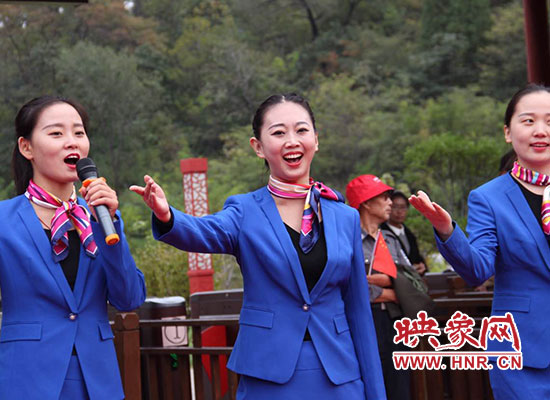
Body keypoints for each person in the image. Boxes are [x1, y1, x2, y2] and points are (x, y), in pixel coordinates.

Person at [131, 93, 386, 399]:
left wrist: (376, 392)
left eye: (301, 130)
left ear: (316, 140)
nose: (292, 141)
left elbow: (358, 311)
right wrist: (167, 215)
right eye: (278, 133)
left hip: (340, 374)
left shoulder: (345, 217)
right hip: (269, 374)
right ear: (258, 147)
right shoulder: (245, 211)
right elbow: (203, 231)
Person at [0, 96, 146, 400]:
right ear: (26, 147)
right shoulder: (4, 221)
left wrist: (110, 224)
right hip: (26, 380)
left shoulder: (101, 218)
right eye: (56, 133)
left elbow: (128, 298)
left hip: (98, 383)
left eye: (79, 132)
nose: (72, 142)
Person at [409, 84, 550, 398]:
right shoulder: (488, 198)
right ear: (508, 132)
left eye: (549, 121)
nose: (540, 130)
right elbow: (478, 271)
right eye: (528, 121)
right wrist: (446, 229)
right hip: (522, 352)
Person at [346, 175, 411, 400]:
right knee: (368, 385)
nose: (390, 203)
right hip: (364, 321)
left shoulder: (391, 239)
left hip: (395, 322)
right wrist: (388, 292)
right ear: (365, 202)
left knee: (400, 387)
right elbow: (348, 286)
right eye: (384, 197)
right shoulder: (347, 240)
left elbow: (413, 282)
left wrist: (390, 283)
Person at [382, 191, 428, 276]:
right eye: (395, 207)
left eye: (403, 207)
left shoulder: (410, 235)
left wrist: (422, 267)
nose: (399, 211)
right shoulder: (381, 233)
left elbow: (418, 260)